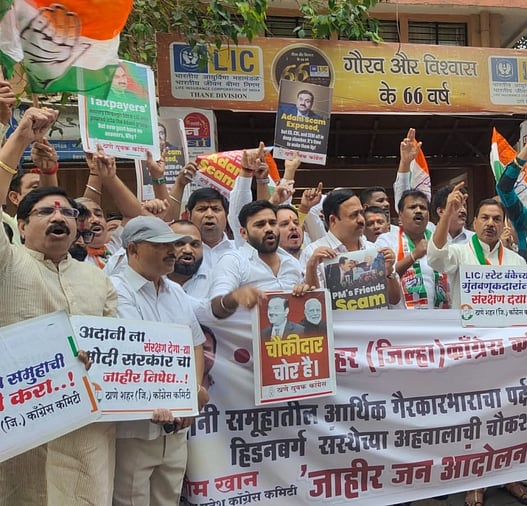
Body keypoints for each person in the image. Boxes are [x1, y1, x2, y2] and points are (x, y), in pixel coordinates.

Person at [0, 107, 119, 505]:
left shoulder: (97, 277)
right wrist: (19, 138)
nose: (59, 217)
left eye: (67, 212)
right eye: (45, 211)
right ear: (20, 225)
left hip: (86, 427)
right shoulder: (8, 261)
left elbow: (119, 347)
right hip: (21, 428)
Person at [427, 184, 527, 506]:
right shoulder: (460, 252)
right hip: (469, 349)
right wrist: (448, 211)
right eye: (484, 218)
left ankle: (510, 477)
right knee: (473, 418)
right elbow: (434, 258)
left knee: (509, 416)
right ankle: (475, 481)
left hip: (505, 352)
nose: (490, 223)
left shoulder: (516, 261)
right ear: (474, 222)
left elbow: (525, 306)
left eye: (496, 218)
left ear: (504, 224)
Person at [110, 216, 207, 506]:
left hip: (176, 427)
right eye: (161, 245)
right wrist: (167, 398)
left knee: (169, 499)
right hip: (136, 428)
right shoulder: (115, 290)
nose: (172, 251)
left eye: (173, 244)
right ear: (134, 249)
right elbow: (136, 352)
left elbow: (195, 345)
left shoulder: (175, 291)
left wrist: (192, 394)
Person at [299, 189, 402, 305]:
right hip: (338, 322)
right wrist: (312, 266)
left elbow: (394, 300)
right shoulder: (313, 253)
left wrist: (389, 272)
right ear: (333, 220)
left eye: (361, 213)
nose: (361, 219)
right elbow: (316, 304)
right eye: (353, 215)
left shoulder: (373, 250)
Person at [209, 200, 306, 320]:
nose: (269, 229)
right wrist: (234, 298)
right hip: (247, 338)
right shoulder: (233, 261)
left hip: (291, 336)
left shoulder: (292, 263)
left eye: (273, 223)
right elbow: (216, 308)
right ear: (244, 233)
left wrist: (305, 292)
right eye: (260, 225)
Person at [376, 189, 449, 308]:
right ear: (400, 214)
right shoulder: (386, 241)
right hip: (402, 321)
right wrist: (413, 256)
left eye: (423, 208)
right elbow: (382, 279)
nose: (418, 210)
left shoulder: (438, 241)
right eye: (412, 207)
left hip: (438, 320)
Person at [187, 187, 234, 265]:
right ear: (189, 215)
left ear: (226, 215)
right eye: (202, 209)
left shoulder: (239, 249)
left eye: (216, 209)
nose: (209, 215)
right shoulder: (182, 252)